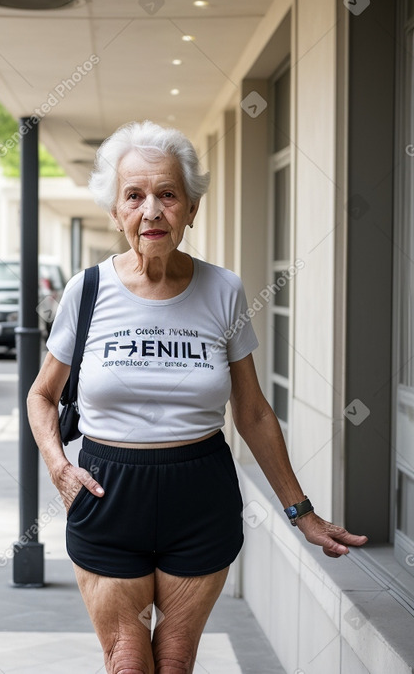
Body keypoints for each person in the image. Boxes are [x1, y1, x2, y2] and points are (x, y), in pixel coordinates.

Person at [27, 120, 367, 674]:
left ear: (191, 208)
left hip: (199, 492)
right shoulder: (86, 291)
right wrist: (60, 469)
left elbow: (252, 410)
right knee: (127, 662)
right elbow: (42, 396)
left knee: (177, 661)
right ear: (116, 212)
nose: (152, 210)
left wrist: (301, 512)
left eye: (167, 194)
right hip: (109, 493)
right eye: (134, 196)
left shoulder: (223, 289)